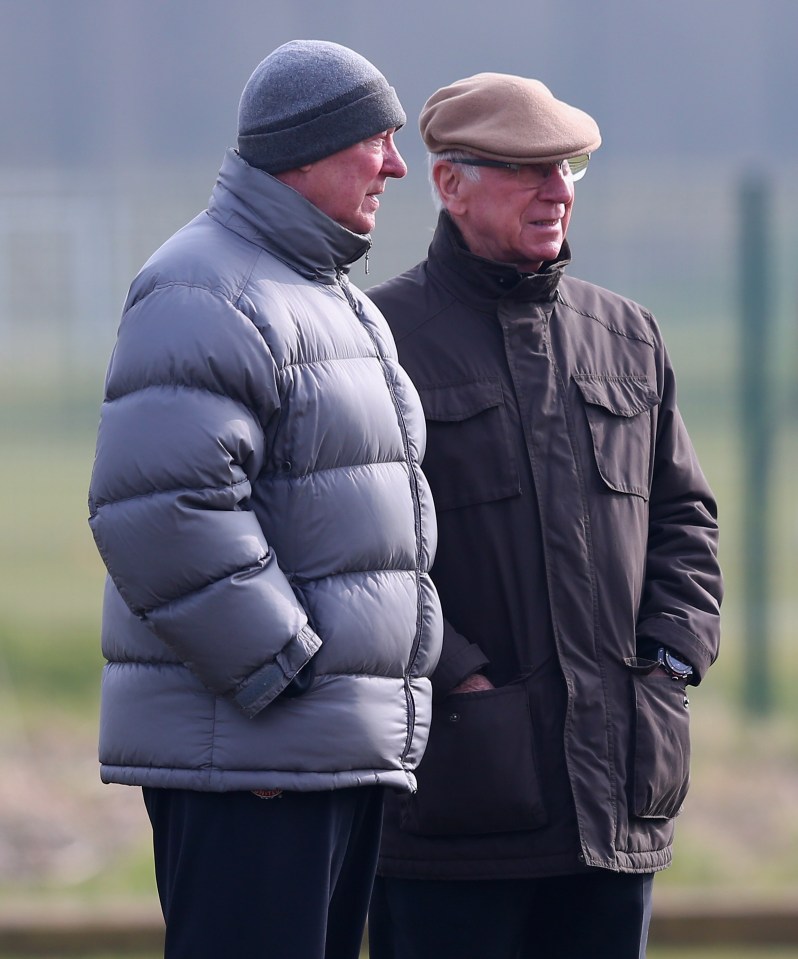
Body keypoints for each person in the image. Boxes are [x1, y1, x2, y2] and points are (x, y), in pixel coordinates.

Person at [87, 40, 442, 959]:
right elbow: (163, 510)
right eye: (379, 140)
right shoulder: (204, 285)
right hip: (257, 756)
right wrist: (281, 673)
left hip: (324, 750)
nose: (397, 167)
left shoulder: (330, 297)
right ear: (310, 150)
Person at [366, 72, 723, 959]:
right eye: (529, 171)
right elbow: (349, 551)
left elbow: (685, 519)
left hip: (617, 802)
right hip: (456, 803)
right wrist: (457, 677)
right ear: (450, 185)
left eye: (568, 169)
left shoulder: (627, 336)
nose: (558, 191)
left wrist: (670, 657)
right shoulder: (376, 339)